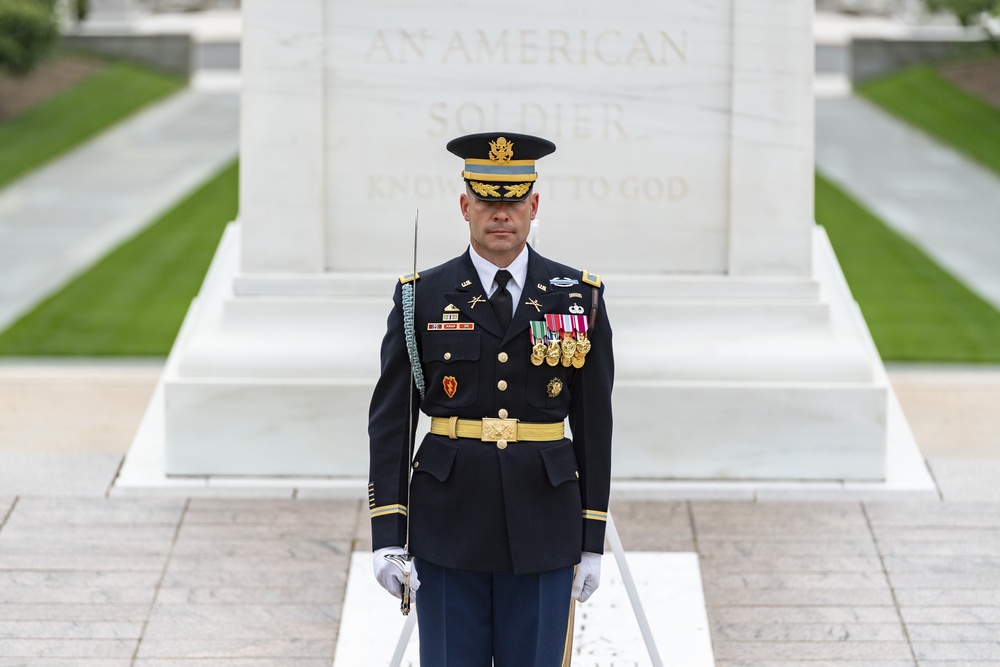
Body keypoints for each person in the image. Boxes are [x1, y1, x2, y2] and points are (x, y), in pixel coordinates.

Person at [368, 131, 614, 666]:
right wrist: (389, 531)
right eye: (486, 200)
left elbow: (595, 426)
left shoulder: (579, 297)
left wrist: (591, 537)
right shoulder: (421, 297)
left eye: (513, 201)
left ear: (534, 205)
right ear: (465, 206)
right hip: (448, 519)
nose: (500, 214)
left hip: (544, 519)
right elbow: (392, 420)